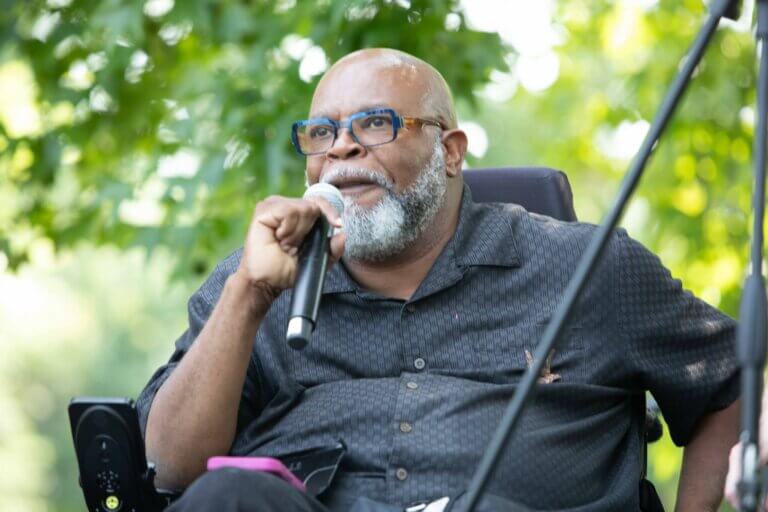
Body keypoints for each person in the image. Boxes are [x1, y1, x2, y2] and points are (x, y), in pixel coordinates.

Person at [137, 48, 741, 511]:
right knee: (227, 497)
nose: (341, 149)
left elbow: (732, 381)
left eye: (374, 124)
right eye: (321, 133)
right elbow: (170, 469)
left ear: (449, 151)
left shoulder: (584, 269)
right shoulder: (259, 280)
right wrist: (250, 295)